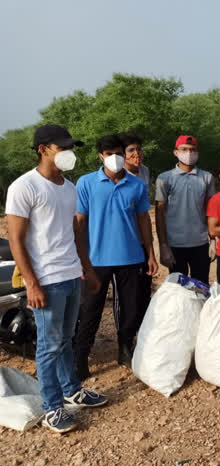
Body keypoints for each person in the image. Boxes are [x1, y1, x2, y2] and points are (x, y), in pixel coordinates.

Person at [5, 125, 107, 434]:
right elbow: (16, 240)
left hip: (70, 273)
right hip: (45, 279)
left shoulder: (69, 187)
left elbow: (75, 233)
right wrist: (32, 283)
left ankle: (72, 390)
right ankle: (52, 407)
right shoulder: (24, 187)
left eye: (70, 146)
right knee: (49, 345)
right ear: (42, 149)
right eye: (60, 147)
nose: (67, 152)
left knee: (65, 338)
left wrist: (86, 269)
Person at [73, 134, 158, 380]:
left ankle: (124, 348)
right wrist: (80, 258)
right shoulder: (86, 183)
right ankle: (81, 357)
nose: (115, 158)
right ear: (101, 156)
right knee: (91, 309)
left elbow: (143, 219)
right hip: (96, 259)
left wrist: (150, 253)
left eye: (119, 153)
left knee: (130, 307)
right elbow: (80, 221)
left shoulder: (136, 185)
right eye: (109, 154)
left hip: (131, 256)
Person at [155, 135, 216, 283]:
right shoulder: (164, 178)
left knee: (201, 287)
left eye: (192, 149)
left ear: (197, 153)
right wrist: (163, 246)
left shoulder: (207, 177)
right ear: (175, 152)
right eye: (184, 149)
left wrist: (213, 239)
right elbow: (159, 213)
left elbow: (211, 209)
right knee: (177, 290)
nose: (189, 153)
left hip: (200, 243)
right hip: (175, 244)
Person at [118, 133, 152, 327]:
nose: (136, 153)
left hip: (142, 238)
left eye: (139, 149)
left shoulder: (144, 172)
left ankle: (143, 329)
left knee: (144, 287)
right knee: (127, 294)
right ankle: (126, 335)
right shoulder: (119, 176)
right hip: (125, 240)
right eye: (131, 150)